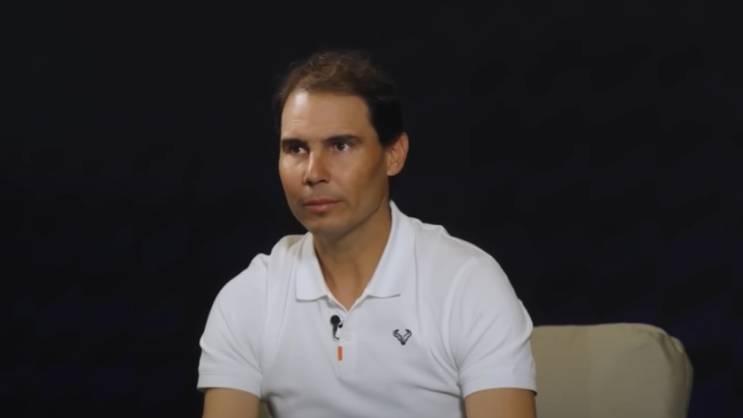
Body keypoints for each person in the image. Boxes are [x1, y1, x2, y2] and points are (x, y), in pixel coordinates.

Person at [197, 49, 537, 418]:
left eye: (340, 146)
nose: (313, 173)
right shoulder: (249, 298)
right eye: (296, 148)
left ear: (394, 155)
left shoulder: (467, 284)